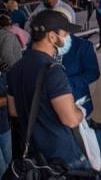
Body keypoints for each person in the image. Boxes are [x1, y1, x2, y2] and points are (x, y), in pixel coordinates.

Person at [7, 10, 90, 170]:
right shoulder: (53, 70)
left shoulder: (16, 68)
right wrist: (81, 112)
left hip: (34, 154)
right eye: (65, 33)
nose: (67, 38)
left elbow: (13, 111)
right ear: (52, 37)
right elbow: (70, 119)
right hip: (61, 156)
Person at [0, 14, 22, 179]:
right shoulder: (8, 36)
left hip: (3, 124)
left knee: (8, 162)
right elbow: (9, 55)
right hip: (3, 124)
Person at [60, 33, 100, 116]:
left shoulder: (82, 45)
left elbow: (93, 73)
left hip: (77, 103)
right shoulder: (43, 47)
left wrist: (70, 83)